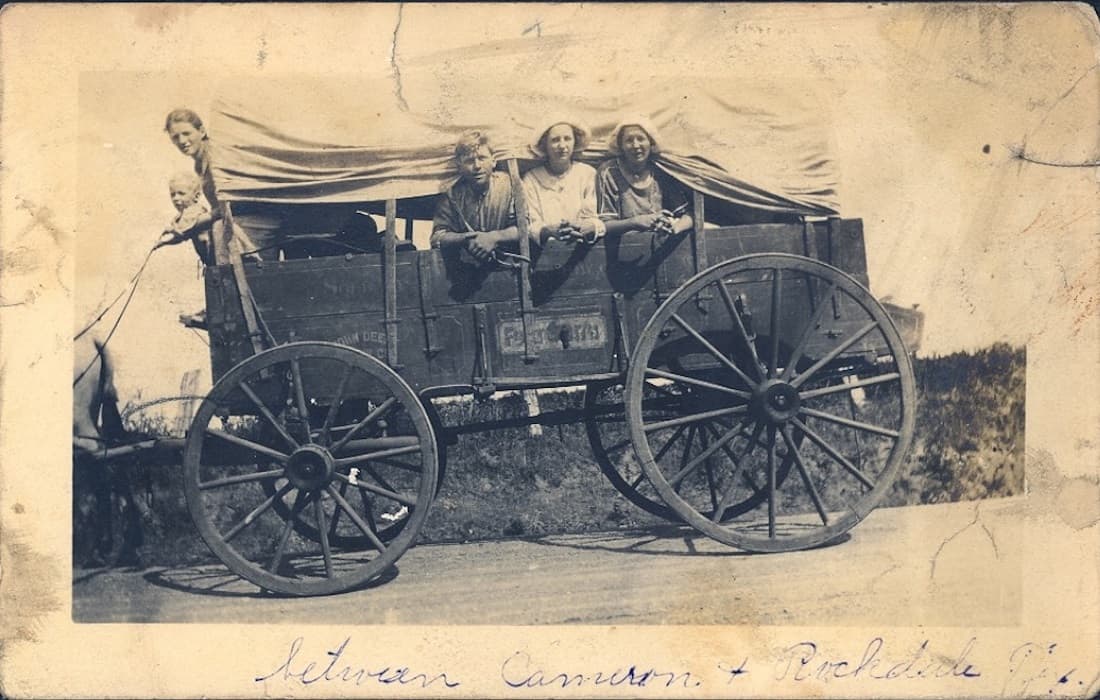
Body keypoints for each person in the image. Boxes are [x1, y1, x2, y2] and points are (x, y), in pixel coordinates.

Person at [431, 131, 522, 262]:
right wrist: (467, 238)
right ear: (459, 165)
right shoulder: (452, 193)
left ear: (493, 161)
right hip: (467, 266)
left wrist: (493, 237)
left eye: (482, 158)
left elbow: (523, 228)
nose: (477, 166)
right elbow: (437, 237)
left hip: (507, 263)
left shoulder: (510, 185)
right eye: (469, 161)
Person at [596, 117, 694, 237]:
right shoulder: (609, 172)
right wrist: (635, 222)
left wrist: (675, 227)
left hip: (658, 241)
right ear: (620, 146)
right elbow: (604, 224)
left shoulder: (660, 170)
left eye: (641, 139)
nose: (636, 145)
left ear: (651, 142)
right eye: (629, 140)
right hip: (626, 245)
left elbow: (688, 215)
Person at [522, 118, 604, 245]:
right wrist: (549, 231)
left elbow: (594, 216)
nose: (562, 146)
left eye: (567, 138)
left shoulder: (587, 174)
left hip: (583, 248)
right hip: (547, 253)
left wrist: (588, 226)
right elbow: (532, 225)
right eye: (555, 140)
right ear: (545, 145)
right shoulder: (531, 179)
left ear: (574, 142)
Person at [156, 170, 211, 265]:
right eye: (172, 194)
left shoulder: (195, 211)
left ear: (196, 196)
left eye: (181, 193)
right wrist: (164, 243)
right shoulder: (185, 215)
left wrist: (170, 231)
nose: (176, 198)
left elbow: (181, 232)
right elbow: (182, 236)